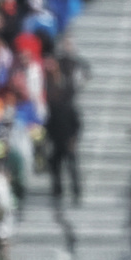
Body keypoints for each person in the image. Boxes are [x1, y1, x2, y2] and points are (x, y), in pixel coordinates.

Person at [44, 57, 82, 203]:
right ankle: (57, 191)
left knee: (72, 166)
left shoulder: (68, 108)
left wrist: (73, 139)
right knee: (55, 166)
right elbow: (49, 125)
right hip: (56, 140)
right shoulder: (52, 109)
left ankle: (76, 192)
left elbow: (77, 124)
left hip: (67, 139)